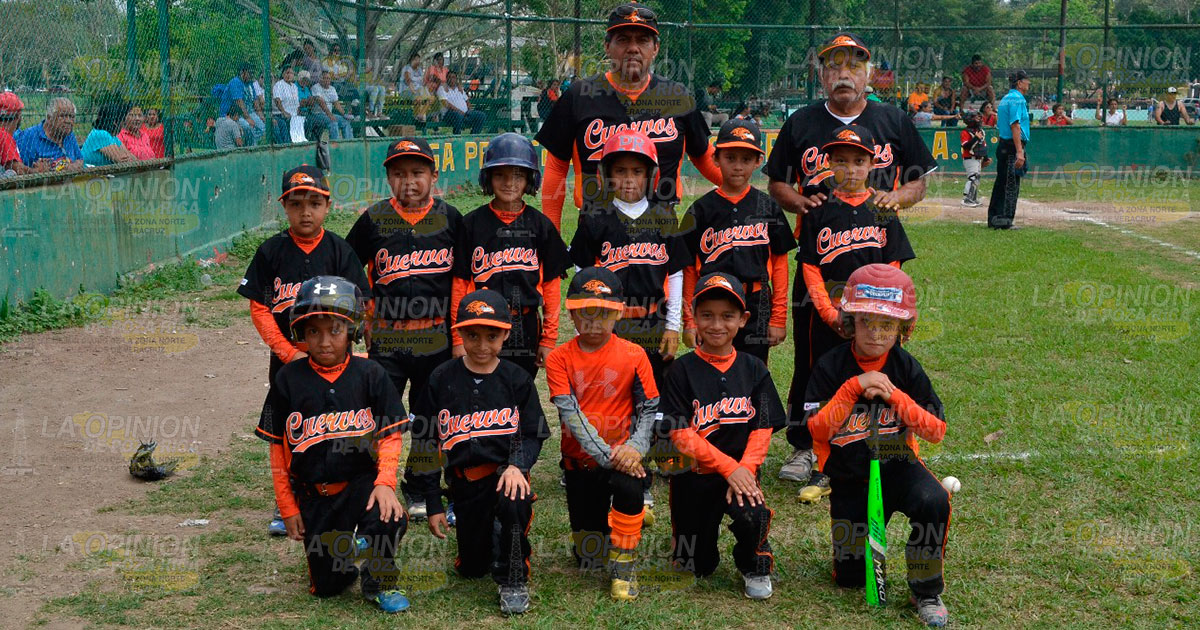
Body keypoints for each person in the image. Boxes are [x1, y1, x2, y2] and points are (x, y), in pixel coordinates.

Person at [764, 31, 936, 496]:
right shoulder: (801, 123)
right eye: (834, 66)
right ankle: (805, 443)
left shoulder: (893, 120)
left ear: (867, 74)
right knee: (814, 360)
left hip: (875, 272)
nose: (844, 74)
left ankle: (875, 437)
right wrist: (800, 202)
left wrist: (896, 197)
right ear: (822, 75)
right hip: (819, 266)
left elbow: (919, 182)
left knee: (879, 354)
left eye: (853, 66)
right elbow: (777, 183)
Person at [803, 263, 950, 628]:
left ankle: (926, 589)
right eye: (867, 321)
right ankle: (855, 556)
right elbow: (818, 432)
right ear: (850, 320)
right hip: (851, 477)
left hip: (900, 468)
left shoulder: (906, 367)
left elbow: (936, 430)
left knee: (933, 499)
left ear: (903, 328)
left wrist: (894, 394)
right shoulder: (829, 366)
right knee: (850, 577)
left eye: (888, 324)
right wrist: (853, 387)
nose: (877, 332)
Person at [257, 275, 411, 613]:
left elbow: (390, 435)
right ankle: (346, 552)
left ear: (352, 330)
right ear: (300, 334)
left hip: (360, 483)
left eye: (335, 330)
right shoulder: (287, 380)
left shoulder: (370, 373)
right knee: (326, 588)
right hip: (314, 493)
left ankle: (380, 578)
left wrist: (385, 483)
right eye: (314, 331)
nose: (325, 341)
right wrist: (288, 507)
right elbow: (276, 450)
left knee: (388, 517)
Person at [241, 165, 372, 537]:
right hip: (291, 361)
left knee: (338, 425)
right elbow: (259, 306)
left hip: (336, 359)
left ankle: (346, 497)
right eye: (296, 203)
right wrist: (286, 352)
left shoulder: (340, 250)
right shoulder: (271, 252)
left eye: (314, 203)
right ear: (285, 207)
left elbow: (362, 302)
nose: (305, 212)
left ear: (327, 206)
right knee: (291, 430)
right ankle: (289, 502)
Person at [793, 124, 917, 499]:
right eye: (841, 161)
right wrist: (830, 313)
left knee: (881, 381)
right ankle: (822, 463)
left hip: (874, 322)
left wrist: (887, 316)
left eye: (858, 161)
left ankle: (894, 453)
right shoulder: (818, 211)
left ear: (871, 164)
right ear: (829, 164)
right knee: (823, 384)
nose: (850, 168)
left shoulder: (883, 210)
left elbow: (893, 266)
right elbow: (810, 268)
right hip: (827, 319)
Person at [409, 289, 549, 615]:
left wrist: (517, 465)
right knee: (472, 567)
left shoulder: (516, 379)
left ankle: (513, 577)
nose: (482, 345)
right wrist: (432, 502)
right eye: (472, 335)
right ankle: (490, 538)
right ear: (458, 333)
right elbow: (425, 443)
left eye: (491, 335)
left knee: (514, 499)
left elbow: (533, 433)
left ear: (505, 334)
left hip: (505, 477)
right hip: (465, 484)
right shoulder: (442, 378)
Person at [345, 137, 463, 521]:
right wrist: (364, 313)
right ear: (388, 178)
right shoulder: (374, 219)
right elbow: (349, 269)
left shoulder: (451, 220)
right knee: (379, 415)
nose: (408, 181)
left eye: (417, 172)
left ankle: (422, 487)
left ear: (434, 175)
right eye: (398, 174)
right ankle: (374, 484)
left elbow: (465, 277)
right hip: (389, 337)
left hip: (435, 336)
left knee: (430, 417)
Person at [535, 3, 723, 230]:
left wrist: (746, 195)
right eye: (623, 39)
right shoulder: (579, 96)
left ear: (655, 48)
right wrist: (551, 240)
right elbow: (556, 168)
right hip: (597, 233)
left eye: (642, 40)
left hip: (660, 232)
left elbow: (704, 156)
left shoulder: (678, 97)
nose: (633, 48)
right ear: (607, 46)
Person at [657, 271, 785, 600]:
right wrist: (729, 467)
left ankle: (754, 563)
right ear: (694, 317)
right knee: (695, 565)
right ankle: (695, 550)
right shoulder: (681, 371)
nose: (717, 325)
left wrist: (744, 469)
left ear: (743, 320)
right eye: (707, 315)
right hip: (695, 477)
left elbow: (763, 427)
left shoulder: (754, 368)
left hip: (741, 474)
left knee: (753, 514)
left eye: (727, 316)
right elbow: (682, 434)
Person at [545, 266, 661, 600]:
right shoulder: (558, 359)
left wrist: (635, 449)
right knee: (588, 558)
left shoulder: (635, 354)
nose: (594, 323)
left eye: (603, 314)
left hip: (626, 458)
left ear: (618, 313)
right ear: (572, 314)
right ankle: (631, 512)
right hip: (583, 461)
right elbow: (572, 415)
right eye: (585, 314)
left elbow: (648, 408)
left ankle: (624, 563)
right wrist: (613, 457)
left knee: (629, 484)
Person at [569, 129, 688, 386]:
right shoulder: (595, 218)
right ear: (607, 175)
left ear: (650, 175)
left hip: (654, 324)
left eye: (637, 171)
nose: (629, 179)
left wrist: (673, 326)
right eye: (620, 171)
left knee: (652, 399)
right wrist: (582, 328)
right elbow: (582, 274)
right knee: (611, 393)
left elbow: (676, 274)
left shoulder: (664, 217)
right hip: (609, 324)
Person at [452, 133, 570, 377]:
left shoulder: (541, 226)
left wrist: (548, 339)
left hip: (525, 325)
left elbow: (550, 287)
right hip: (480, 324)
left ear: (530, 178)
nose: (509, 183)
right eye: (500, 175)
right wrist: (456, 338)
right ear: (488, 178)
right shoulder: (471, 225)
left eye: (518, 175)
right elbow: (460, 284)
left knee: (519, 391)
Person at [680, 119, 795, 365]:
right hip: (712, 301)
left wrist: (777, 318)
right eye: (730, 158)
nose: (738, 166)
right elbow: (689, 269)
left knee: (753, 371)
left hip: (756, 300)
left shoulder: (768, 207)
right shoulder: (700, 211)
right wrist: (689, 321)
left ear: (757, 162)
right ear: (716, 159)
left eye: (746, 159)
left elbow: (780, 264)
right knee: (711, 370)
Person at [988, 70, 1030, 230]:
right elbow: (1015, 124)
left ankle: (994, 218)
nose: (1028, 84)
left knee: (1001, 183)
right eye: (1026, 81)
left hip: (1004, 144)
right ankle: (1005, 220)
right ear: (1019, 83)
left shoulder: (1006, 98)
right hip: (1012, 146)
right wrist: (1020, 151)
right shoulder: (1017, 99)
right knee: (1011, 184)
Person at [17, 97, 84, 172]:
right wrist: (37, 171)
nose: (68, 121)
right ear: (49, 118)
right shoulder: (29, 137)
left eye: (71, 117)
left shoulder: (68, 134)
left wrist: (73, 166)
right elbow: (18, 169)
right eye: (63, 116)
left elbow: (80, 159)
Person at [219, 63, 265, 145]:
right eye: (250, 73)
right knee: (248, 127)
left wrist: (261, 116)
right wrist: (247, 118)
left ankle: (253, 144)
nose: (252, 75)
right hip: (234, 114)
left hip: (250, 113)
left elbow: (255, 102)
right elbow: (239, 102)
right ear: (243, 72)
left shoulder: (250, 84)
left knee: (263, 128)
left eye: (253, 73)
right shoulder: (235, 82)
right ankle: (250, 148)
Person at [81, 102, 136, 167]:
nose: (123, 126)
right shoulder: (100, 134)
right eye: (123, 122)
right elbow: (121, 160)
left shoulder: (113, 137)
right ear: (115, 122)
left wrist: (126, 157)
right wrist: (126, 157)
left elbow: (132, 158)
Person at [960, 111, 991, 207]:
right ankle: (967, 199)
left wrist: (985, 158)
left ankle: (973, 198)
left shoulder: (980, 131)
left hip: (978, 158)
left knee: (976, 178)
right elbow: (966, 147)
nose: (979, 119)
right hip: (969, 158)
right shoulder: (965, 132)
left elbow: (983, 146)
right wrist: (975, 138)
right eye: (975, 118)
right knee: (972, 177)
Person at [312, 71, 354, 140]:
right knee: (333, 122)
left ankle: (348, 142)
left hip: (329, 114)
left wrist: (344, 114)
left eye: (328, 78)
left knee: (345, 121)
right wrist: (330, 115)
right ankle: (335, 145)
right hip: (318, 115)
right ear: (320, 79)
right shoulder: (316, 87)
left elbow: (336, 103)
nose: (327, 80)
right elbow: (321, 103)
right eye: (324, 78)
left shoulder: (332, 89)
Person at [0, 92, 32, 176]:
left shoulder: (12, 135)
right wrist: (38, 171)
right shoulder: (4, 135)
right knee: (11, 173)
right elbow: (19, 170)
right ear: (18, 116)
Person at [272, 67, 299, 144]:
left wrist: (297, 113)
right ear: (283, 74)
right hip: (282, 114)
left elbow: (297, 104)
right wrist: (284, 112)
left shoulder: (294, 86)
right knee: (287, 122)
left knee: (306, 121)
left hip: (294, 114)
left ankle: (298, 144)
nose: (289, 75)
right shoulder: (279, 85)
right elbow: (277, 100)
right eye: (287, 73)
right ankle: (287, 144)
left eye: (291, 73)